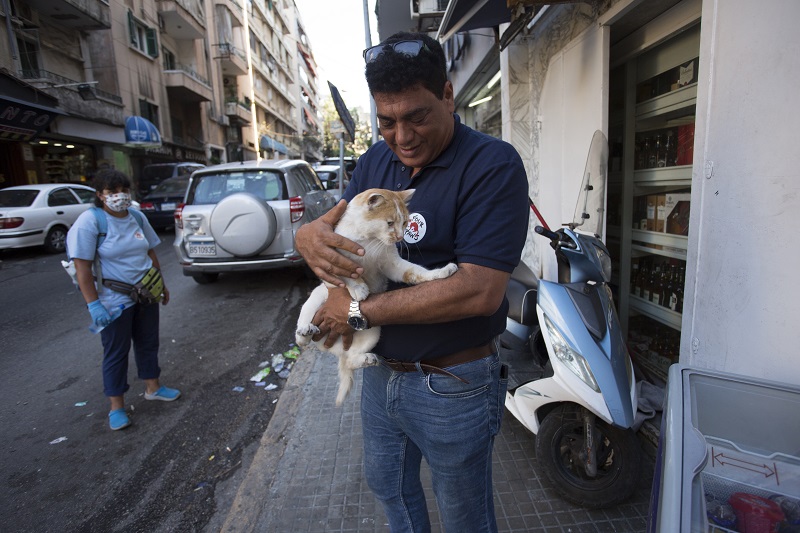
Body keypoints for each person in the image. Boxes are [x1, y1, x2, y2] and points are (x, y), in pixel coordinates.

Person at [296, 32, 529, 532]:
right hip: (380, 375)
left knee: (464, 515)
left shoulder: (493, 165)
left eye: (417, 116)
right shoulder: (376, 163)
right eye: (387, 121)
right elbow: (336, 232)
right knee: (390, 492)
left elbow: (478, 289)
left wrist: (356, 312)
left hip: (453, 385)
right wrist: (307, 239)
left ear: (448, 95)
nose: (401, 137)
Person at [67, 169, 180, 431]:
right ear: (100, 195)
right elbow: (82, 269)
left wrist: (161, 285)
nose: (120, 197)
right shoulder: (90, 222)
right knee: (116, 352)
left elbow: (150, 252)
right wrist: (94, 304)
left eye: (124, 191)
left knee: (148, 342)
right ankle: (116, 407)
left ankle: (153, 387)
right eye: (112, 192)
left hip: (146, 292)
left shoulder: (137, 217)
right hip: (113, 299)